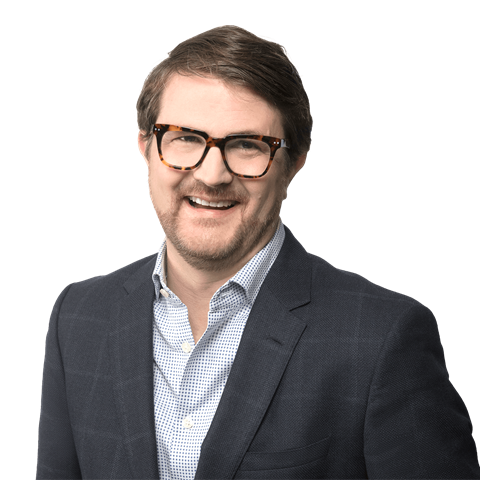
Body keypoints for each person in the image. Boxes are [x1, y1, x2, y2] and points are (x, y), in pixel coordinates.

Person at [37, 25, 479, 480]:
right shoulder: (78, 317)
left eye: (247, 145)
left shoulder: (384, 338)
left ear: (294, 161)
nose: (211, 175)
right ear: (146, 147)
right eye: (185, 138)